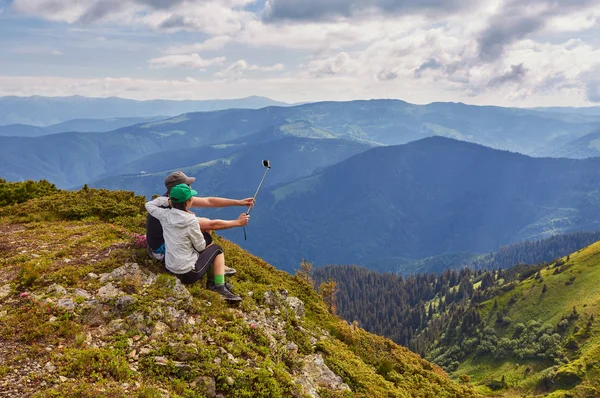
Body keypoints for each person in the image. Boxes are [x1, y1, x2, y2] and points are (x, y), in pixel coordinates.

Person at [145, 183, 249, 301]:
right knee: (217, 249)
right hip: (188, 274)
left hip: (169, 267)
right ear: (188, 203)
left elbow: (149, 205)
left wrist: (168, 202)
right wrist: (238, 222)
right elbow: (200, 247)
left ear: (171, 201)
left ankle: (212, 280)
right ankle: (219, 287)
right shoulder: (191, 221)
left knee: (204, 248)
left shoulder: (164, 215)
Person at [146, 171, 254, 277]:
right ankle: (212, 265)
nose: (190, 188)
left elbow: (209, 201)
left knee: (203, 226)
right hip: (162, 249)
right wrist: (237, 222)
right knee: (206, 230)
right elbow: (212, 224)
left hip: (158, 244)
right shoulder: (175, 210)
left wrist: (239, 202)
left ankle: (209, 261)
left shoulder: (173, 199)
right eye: (188, 185)